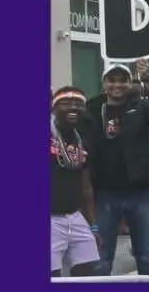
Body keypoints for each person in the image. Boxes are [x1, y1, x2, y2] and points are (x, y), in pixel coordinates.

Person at [82, 59, 149, 276]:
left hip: (139, 192)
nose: (117, 85)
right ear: (104, 83)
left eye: (123, 80)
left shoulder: (139, 105)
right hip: (105, 193)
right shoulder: (92, 108)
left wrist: (147, 80)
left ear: (129, 83)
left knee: (146, 256)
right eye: (112, 80)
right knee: (102, 257)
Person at [50, 86, 101, 278]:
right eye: (65, 103)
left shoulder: (82, 141)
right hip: (50, 219)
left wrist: (93, 225)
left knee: (90, 272)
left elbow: (86, 187)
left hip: (75, 216)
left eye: (78, 104)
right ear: (54, 108)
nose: (73, 107)